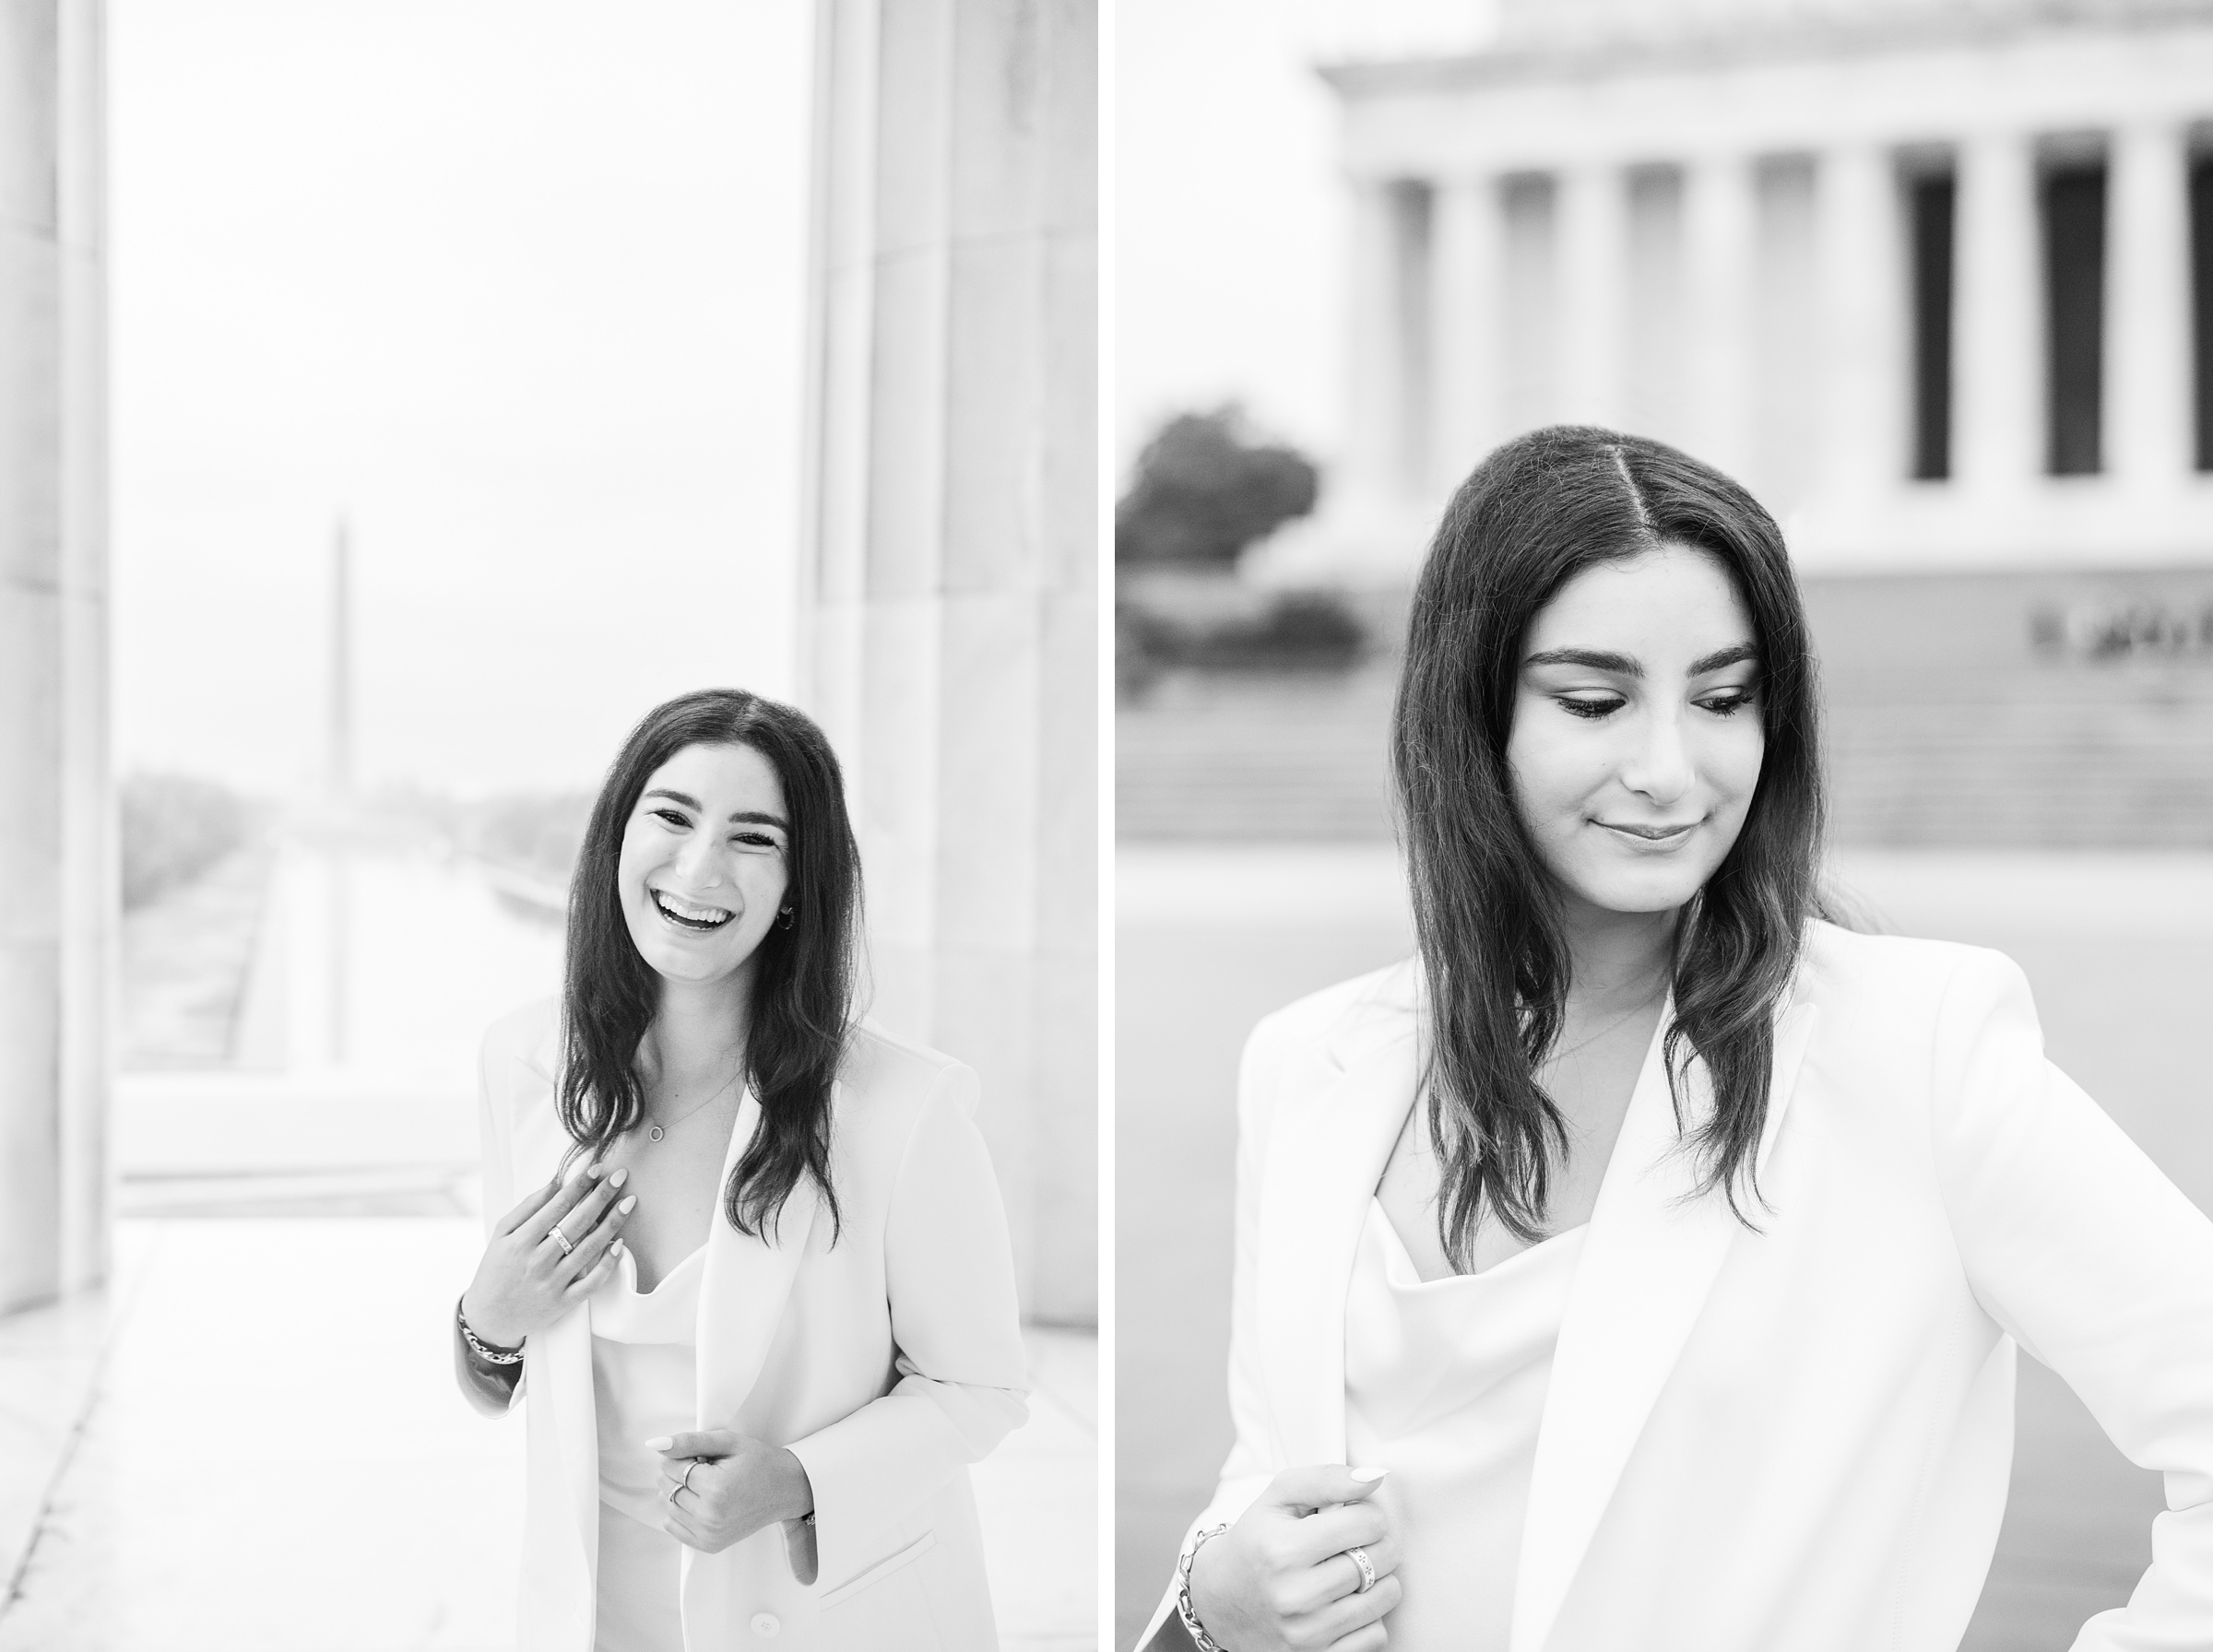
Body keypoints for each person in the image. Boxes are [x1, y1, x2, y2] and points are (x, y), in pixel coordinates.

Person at [1142, 427, 2213, 1652]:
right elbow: (1274, 1485)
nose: (1670, 769)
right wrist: (1210, 1598)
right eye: (1595, 701)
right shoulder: (1309, 1062)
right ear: (1470, 710)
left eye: (1723, 698)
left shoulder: (1915, 1052)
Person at [454, 688, 1029, 1652]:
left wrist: (800, 1480)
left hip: (823, 1616)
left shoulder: (902, 1109)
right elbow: (499, 1378)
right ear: (617, 837)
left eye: (753, 838)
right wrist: (487, 1320)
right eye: (671, 817)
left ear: (797, 883)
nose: (698, 868)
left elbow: (983, 1390)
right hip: (595, 1614)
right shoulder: (523, 1062)